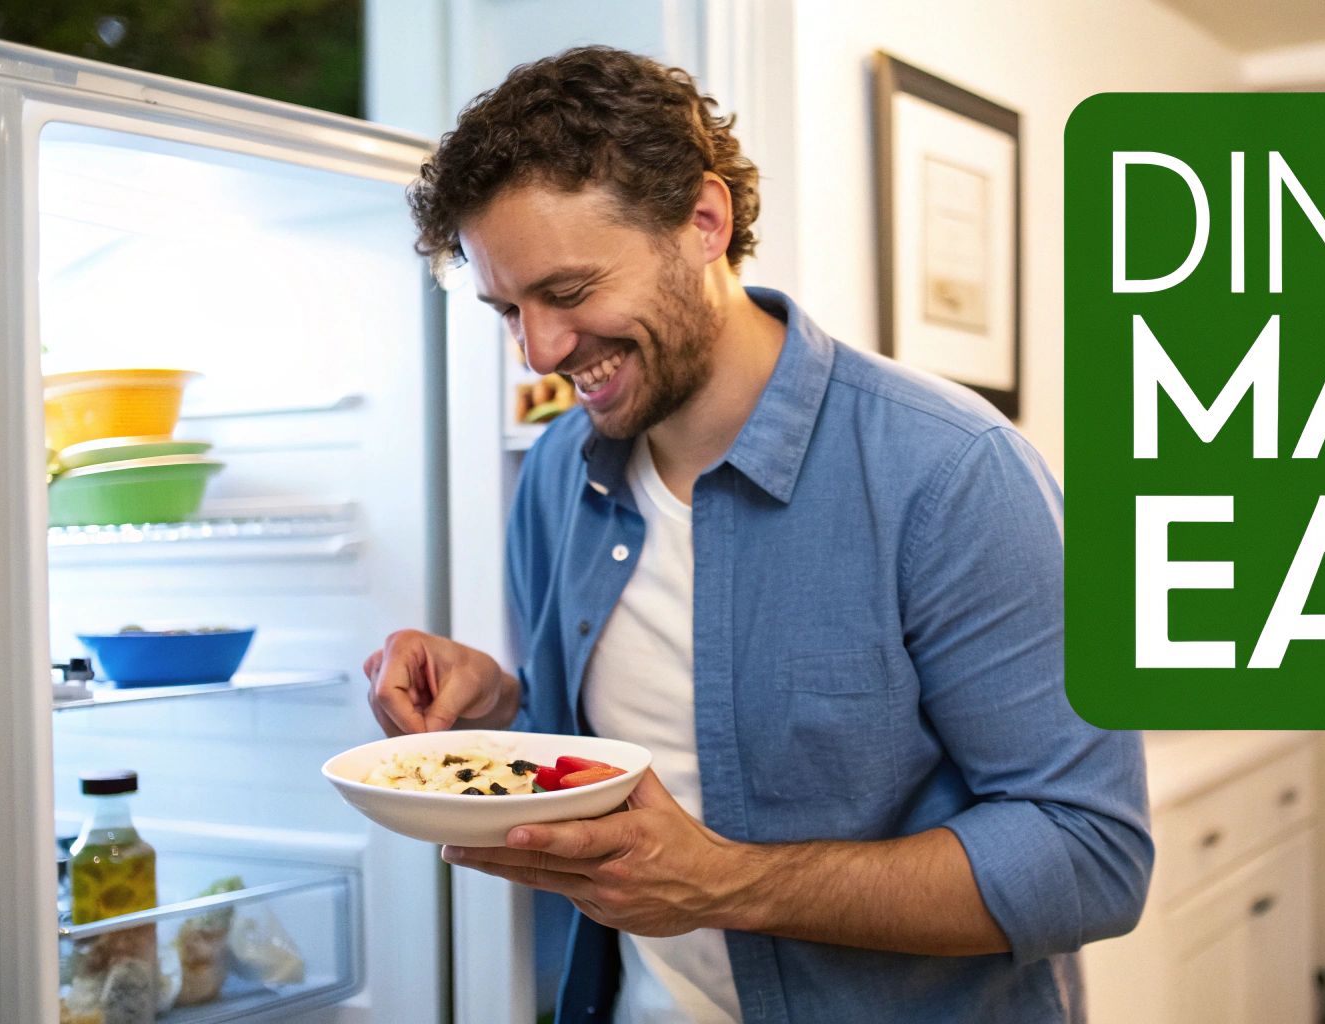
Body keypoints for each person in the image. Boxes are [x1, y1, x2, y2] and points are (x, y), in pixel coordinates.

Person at [365, 45, 1150, 1024]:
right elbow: (640, 759)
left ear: (703, 221)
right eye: (506, 310)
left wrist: (728, 883)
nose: (541, 350)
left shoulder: (952, 473)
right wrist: (500, 711)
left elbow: (1091, 856)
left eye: (566, 293)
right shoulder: (557, 478)